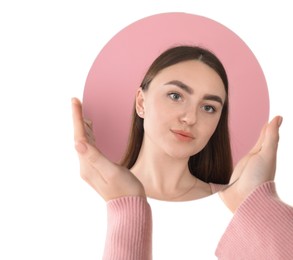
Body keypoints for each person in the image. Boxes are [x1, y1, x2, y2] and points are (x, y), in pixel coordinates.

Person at [72, 45, 293, 259]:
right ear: (141, 102)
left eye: (208, 107)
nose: (190, 118)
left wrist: (256, 203)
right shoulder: (81, 205)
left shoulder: (238, 206)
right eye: (176, 96)